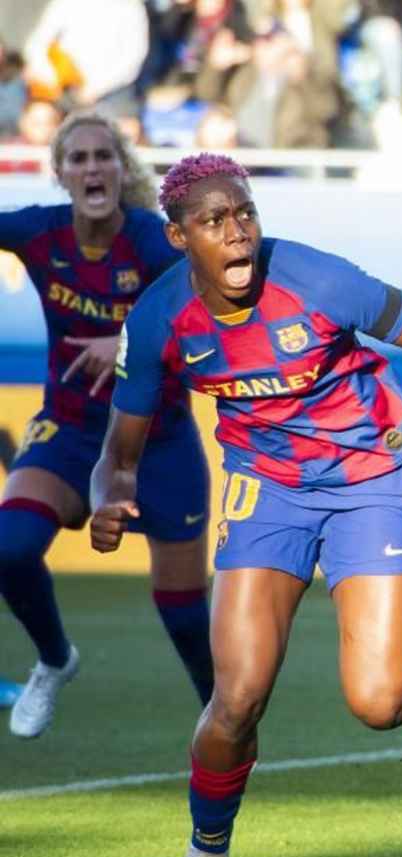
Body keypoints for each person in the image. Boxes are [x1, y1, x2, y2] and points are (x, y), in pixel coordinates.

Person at [91, 153, 402, 857]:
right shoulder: (162, 320)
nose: (236, 236)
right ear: (177, 236)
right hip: (266, 489)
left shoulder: (319, 281)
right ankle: (206, 853)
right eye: (213, 222)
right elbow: (118, 453)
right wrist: (110, 496)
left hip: (370, 480)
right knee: (237, 696)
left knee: (378, 702)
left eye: (245, 217)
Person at [0, 111, 213, 739]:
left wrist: (124, 339)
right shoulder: (39, 233)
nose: (93, 167)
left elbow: (202, 302)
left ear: (121, 169)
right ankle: (55, 660)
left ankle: (225, 722)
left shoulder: (149, 238)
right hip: (68, 431)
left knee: (182, 611)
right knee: (8, 550)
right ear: (61, 174)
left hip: (159, 442)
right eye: (79, 158)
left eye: (104, 156)